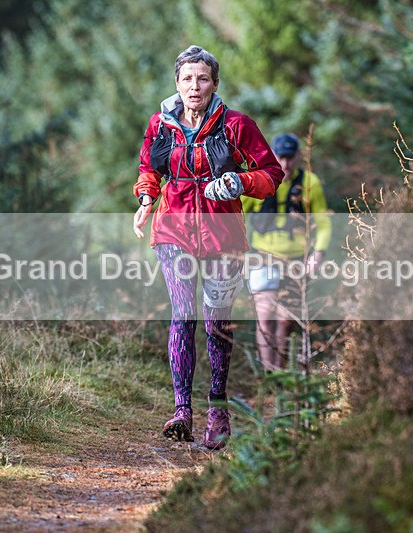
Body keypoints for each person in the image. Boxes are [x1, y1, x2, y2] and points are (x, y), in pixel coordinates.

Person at [133, 46, 283, 449]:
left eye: (202, 78)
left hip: (223, 235)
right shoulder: (160, 125)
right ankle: (182, 409)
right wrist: (147, 198)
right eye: (186, 79)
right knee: (183, 315)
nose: (194, 86)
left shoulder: (237, 125)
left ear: (214, 83)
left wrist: (240, 182)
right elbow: (149, 168)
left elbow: (272, 173)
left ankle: (217, 409)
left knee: (216, 322)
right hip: (173, 231)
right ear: (177, 84)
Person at [240, 133, 331, 371]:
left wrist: (317, 254)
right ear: (273, 156)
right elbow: (237, 212)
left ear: (298, 157)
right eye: (280, 157)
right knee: (265, 316)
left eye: (290, 158)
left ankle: (279, 374)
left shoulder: (310, 182)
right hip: (263, 256)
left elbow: (323, 223)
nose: (285, 164)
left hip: (296, 259)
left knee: (285, 320)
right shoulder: (258, 181)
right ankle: (268, 373)